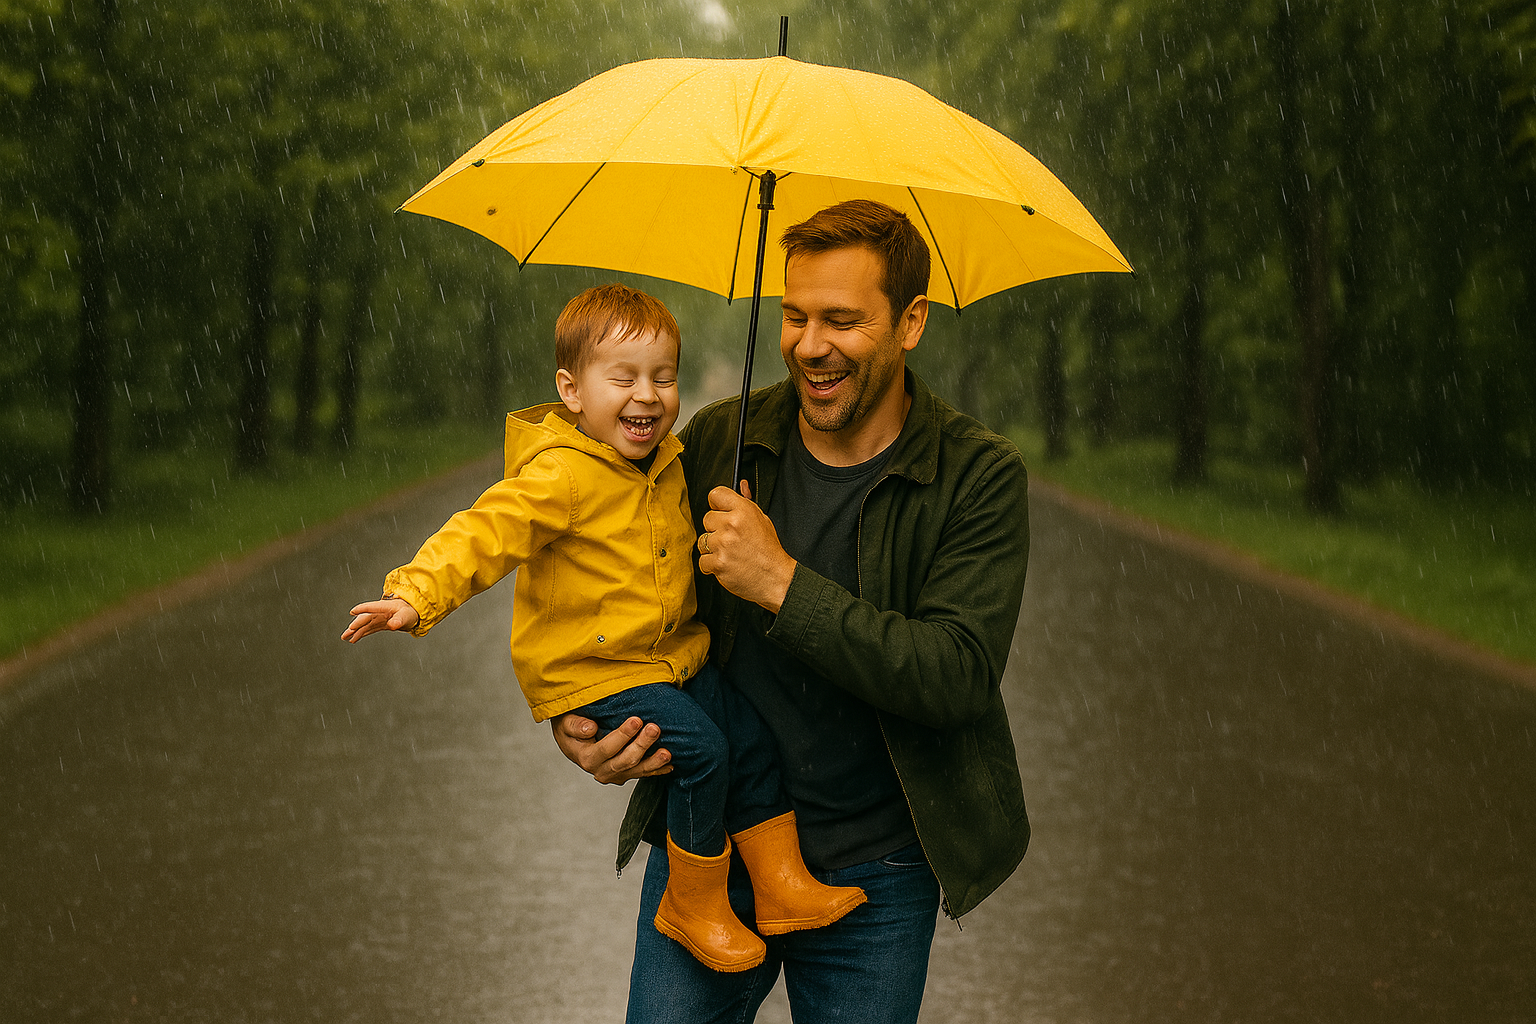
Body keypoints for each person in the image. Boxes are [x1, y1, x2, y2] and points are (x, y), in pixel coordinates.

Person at [553, 201, 1033, 1023]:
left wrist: (781, 583)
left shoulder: (977, 476)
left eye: (842, 320)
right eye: (795, 315)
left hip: (876, 872)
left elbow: (956, 676)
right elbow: (610, 581)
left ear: (911, 321)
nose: (810, 345)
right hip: (710, 850)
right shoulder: (719, 439)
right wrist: (584, 712)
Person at [342, 283, 865, 974]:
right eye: (623, 379)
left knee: (750, 737)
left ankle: (779, 883)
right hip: (596, 672)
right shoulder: (560, 475)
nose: (647, 395)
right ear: (572, 391)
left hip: (670, 661)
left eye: (664, 377)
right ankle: (693, 901)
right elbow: (485, 532)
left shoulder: (669, 463)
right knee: (705, 752)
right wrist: (415, 594)